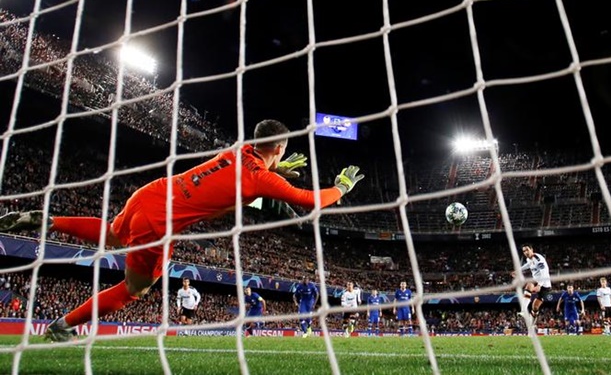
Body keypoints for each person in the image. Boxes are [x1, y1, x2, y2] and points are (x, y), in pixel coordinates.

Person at [0, 119, 365, 342]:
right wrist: (342, 188)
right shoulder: (259, 178)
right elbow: (309, 199)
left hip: (151, 193)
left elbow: (239, 176)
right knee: (133, 290)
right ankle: (62, 325)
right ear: (282, 148)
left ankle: (49, 221)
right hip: (160, 224)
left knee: (113, 234)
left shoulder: (238, 150)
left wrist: (276, 169)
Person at [511, 243, 552, 327]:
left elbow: (544, 273)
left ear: (531, 249)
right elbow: (528, 265)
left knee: (535, 307)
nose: (526, 252)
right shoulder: (529, 259)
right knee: (529, 285)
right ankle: (523, 311)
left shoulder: (538, 259)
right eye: (524, 251)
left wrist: (539, 285)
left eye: (527, 250)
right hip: (536, 281)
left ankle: (532, 324)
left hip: (545, 285)